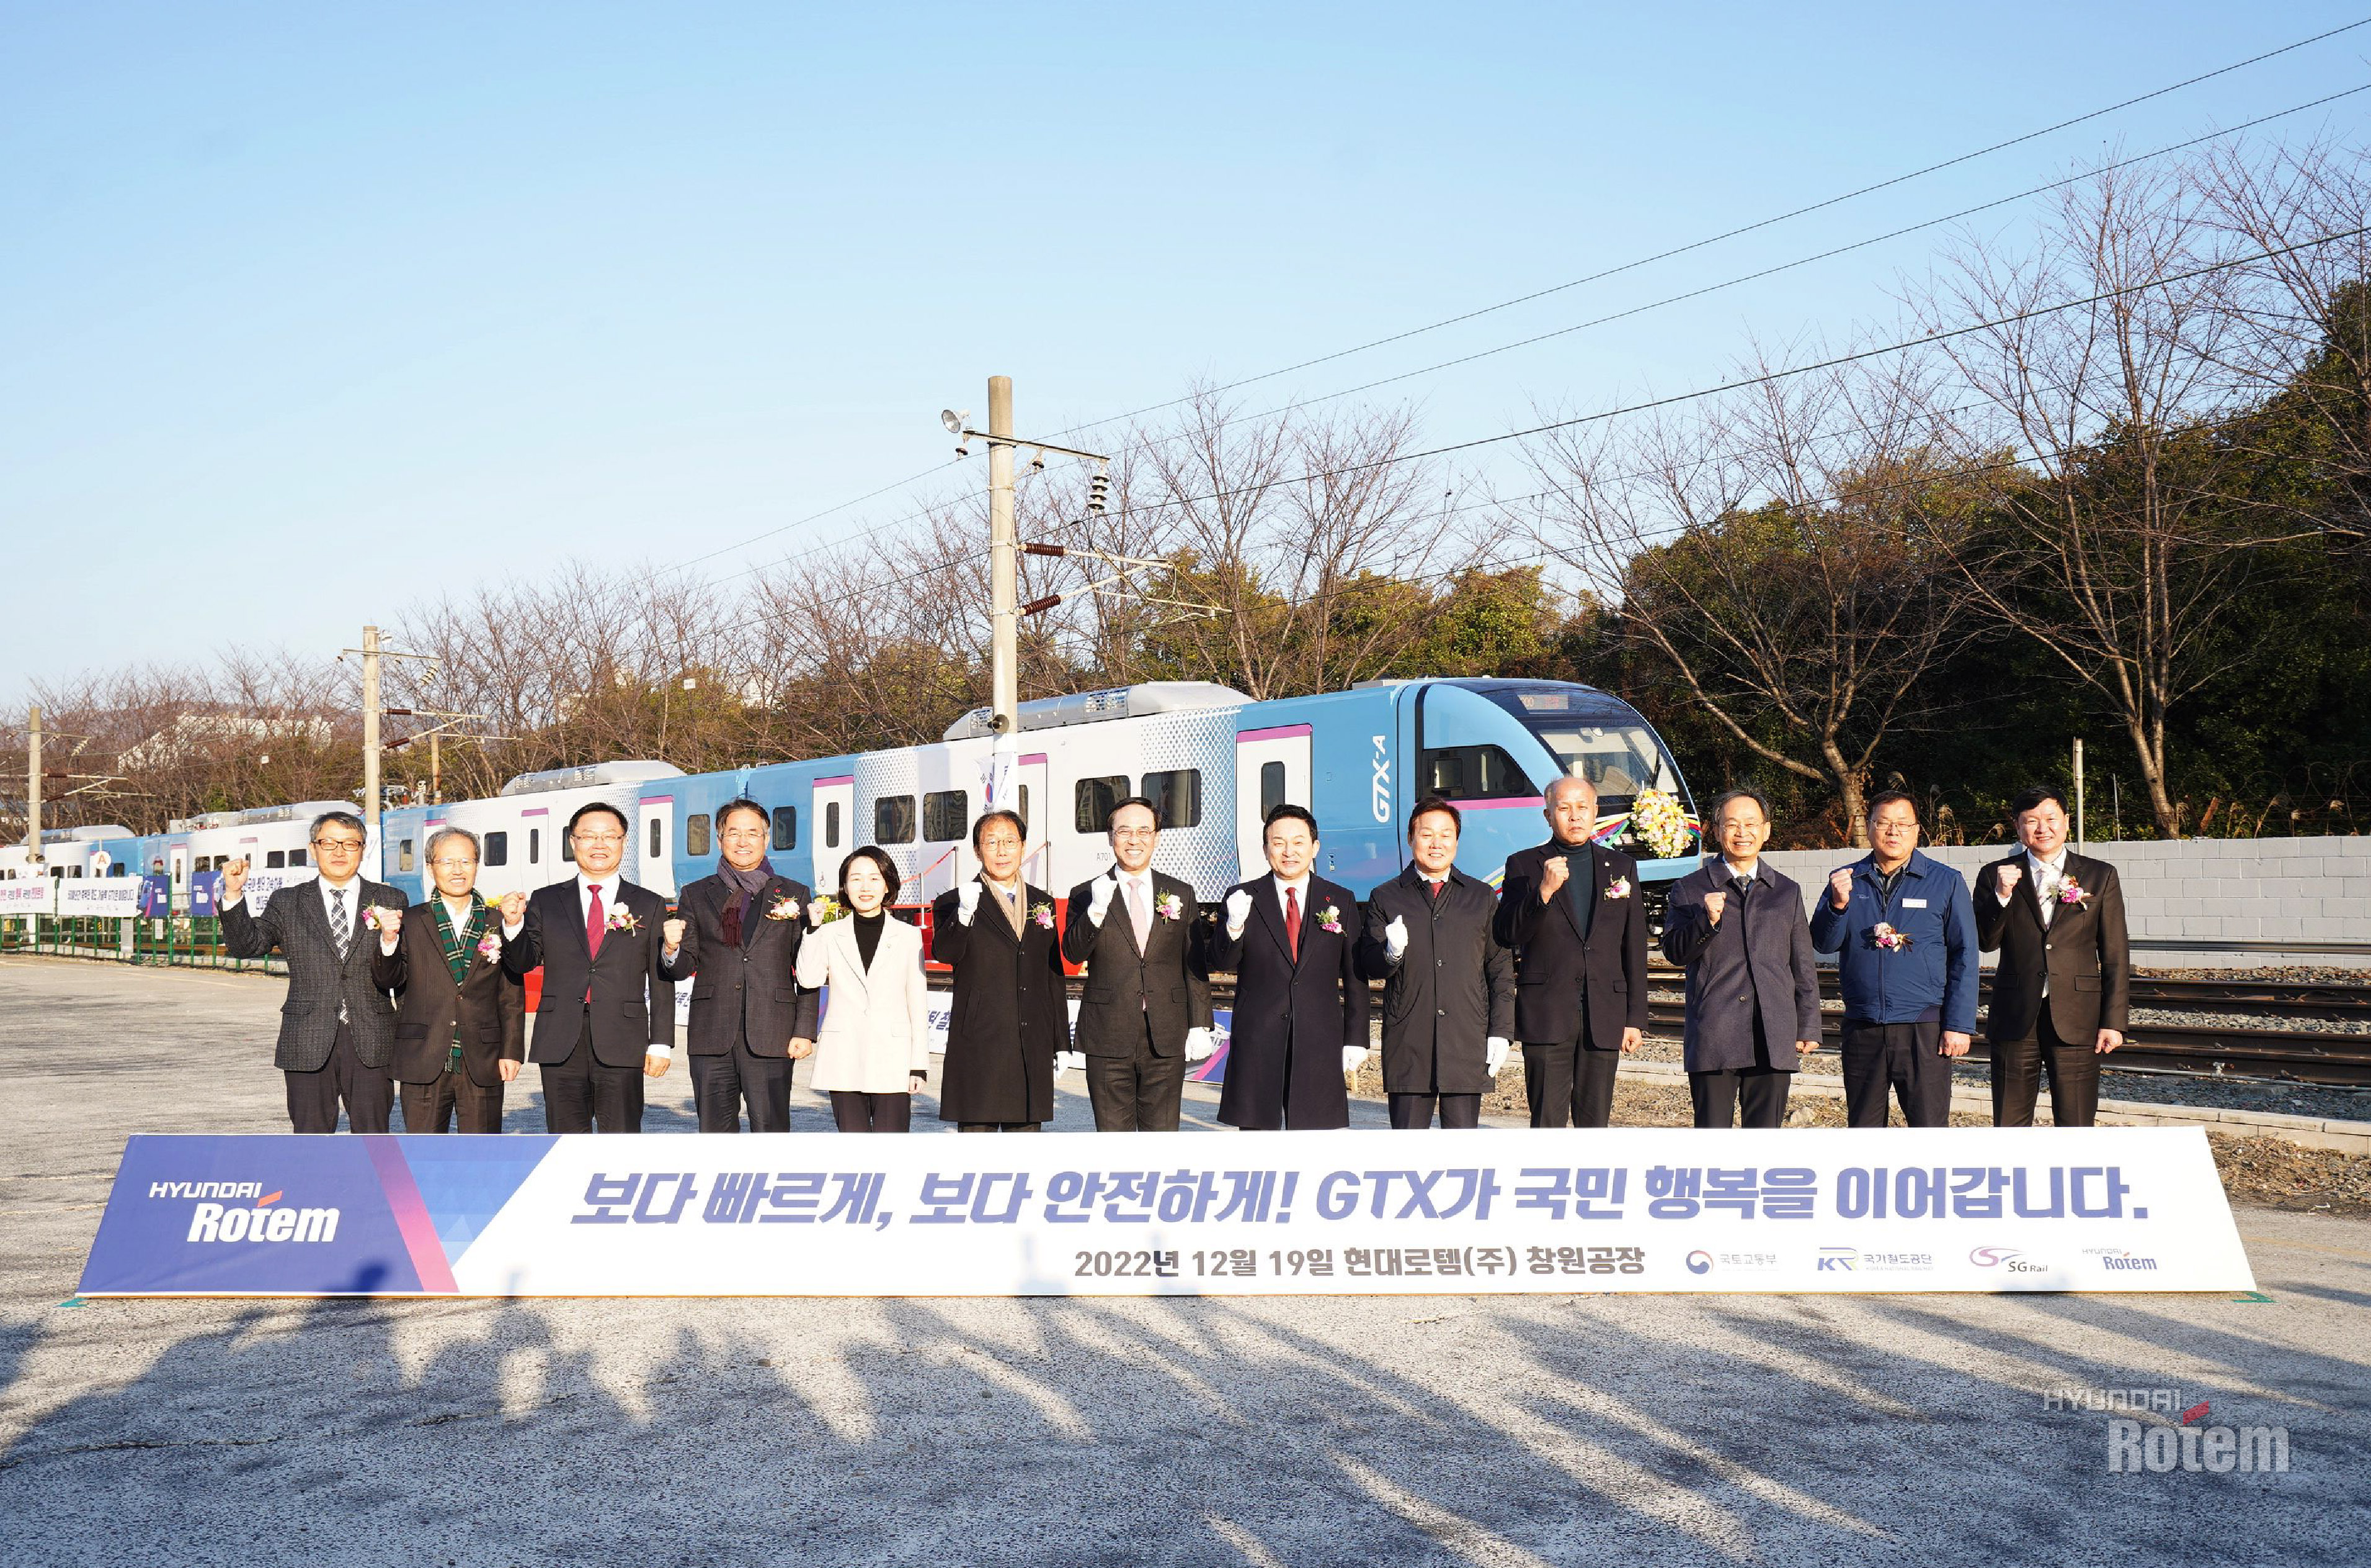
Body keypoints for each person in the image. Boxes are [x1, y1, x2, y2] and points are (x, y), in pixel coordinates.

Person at [219, 810, 403, 1134]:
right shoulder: (288, 901)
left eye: (350, 844)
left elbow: (401, 967)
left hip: (372, 1036)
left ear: (363, 849)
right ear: (313, 849)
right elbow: (247, 946)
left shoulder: (390, 899)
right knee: (310, 1139)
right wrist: (233, 894)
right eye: (329, 843)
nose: (339, 852)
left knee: (374, 1137)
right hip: (306, 1037)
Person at [498, 801, 673, 1133]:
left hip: (623, 1040)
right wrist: (513, 926)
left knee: (621, 1137)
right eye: (589, 836)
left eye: (609, 836)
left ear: (623, 841)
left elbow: (660, 978)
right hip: (560, 1039)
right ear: (573, 842)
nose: (599, 844)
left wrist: (661, 1042)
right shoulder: (546, 900)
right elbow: (523, 962)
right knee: (564, 1141)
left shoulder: (648, 903)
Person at [1810, 791, 1978, 1128]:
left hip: (1923, 1027)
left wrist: (1958, 1025)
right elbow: (1823, 944)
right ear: (1870, 828)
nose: (1893, 831)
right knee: (1864, 1126)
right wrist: (1838, 906)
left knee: (1928, 1127)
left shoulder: (1945, 882)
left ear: (1917, 830)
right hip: (1863, 1025)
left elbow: (1965, 954)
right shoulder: (1847, 879)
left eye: (1903, 823)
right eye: (1884, 823)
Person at [1657, 789, 1822, 1129]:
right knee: (1713, 1132)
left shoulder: (1786, 891)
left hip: (1773, 1033)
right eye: (1732, 824)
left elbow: (1802, 965)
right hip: (1714, 1030)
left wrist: (1808, 1024)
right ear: (1717, 831)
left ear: (1766, 830)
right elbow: (1675, 952)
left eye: (1751, 824)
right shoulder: (1690, 888)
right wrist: (1706, 921)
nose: (1742, 832)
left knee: (1765, 1136)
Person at [1493, 776, 1648, 1129]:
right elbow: (1507, 933)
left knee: (1595, 1122)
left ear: (1595, 812)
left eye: (1582, 807)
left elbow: (1634, 945)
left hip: (1604, 1014)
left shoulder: (1621, 867)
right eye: (1564, 808)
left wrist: (1635, 1018)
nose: (1574, 816)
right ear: (1548, 815)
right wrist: (1543, 893)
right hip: (1546, 1013)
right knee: (1547, 1120)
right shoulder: (1524, 865)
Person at [659, 799, 819, 1133]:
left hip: (772, 1032)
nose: (743, 841)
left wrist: (804, 1030)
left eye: (752, 833)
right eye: (733, 833)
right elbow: (681, 967)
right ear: (720, 840)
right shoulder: (696, 894)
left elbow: (808, 968)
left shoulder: (794, 893)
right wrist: (671, 948)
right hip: (711, 1033)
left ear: (766, 839)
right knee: (715, 1132)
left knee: (771, 1130)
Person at [1975, 784, 2130, 1128]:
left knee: (2076, 1122)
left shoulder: (2100, 874)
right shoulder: (1995, 874)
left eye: (2050, 818)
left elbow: (2116, 953)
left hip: (2078, 1016)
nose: (2042, 828)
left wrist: (2113, 1021)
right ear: (2018, 826)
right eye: (2031, 821)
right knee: (2009, 1122)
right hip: (2015, 1015)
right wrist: (2001, 896)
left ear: (2067, 821)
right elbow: (1986, 942)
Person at [1208, 803, 1369, 1131]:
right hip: (1258, 1038)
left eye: (1298, 842)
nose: (1288, 851)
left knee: (1314, 1137)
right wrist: (1233, 927)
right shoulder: (1242, 896)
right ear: (1265, 849)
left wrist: (1356, 1038)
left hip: (1319, 1040)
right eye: (1278, 842)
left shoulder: (1340, 899)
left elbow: (1356, 976)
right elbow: (1221, 962)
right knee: (1257, 1138)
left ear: (1315, 847)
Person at [1355, 798, 1513, 1129]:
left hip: (1466, 1040)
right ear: (1410, 839)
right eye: (1426, 835)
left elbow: (1499, 970)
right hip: (1409, 1041)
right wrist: (1391, 953)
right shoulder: (1386, 896)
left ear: (1457, 840)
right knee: (1409, 1145)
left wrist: (1501, 1032)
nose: (1436, 844)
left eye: (1445, 835)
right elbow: (1370, 966)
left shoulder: (1480, 896)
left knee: (1462, 1145)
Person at [1061, 796, 1217, 1131]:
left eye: (1144, 831)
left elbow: (1194, 966)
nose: (1135, 840)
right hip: (1107, 1033)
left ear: (1156, 837)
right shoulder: (1085, 893)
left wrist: (1201, 1024)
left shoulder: (1181, 892)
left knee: (1161, 1136)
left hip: (1167, 1034)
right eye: (1125, 831)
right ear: (1110, 837)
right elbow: (1072, 954)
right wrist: (1095, 911)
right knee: (1113, 1136)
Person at [369, 826, 524, 1133]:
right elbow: (388, 980)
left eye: (466, 861)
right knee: (423, 1150)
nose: (457, 870)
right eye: (447, 862)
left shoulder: (498, 921)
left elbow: (510, 995)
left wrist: (511, 1051)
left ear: (477, 866)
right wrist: (388, 940)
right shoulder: (409, 921)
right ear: (431, 868)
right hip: (423, 1056)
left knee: (482, 1149)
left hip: (483, 1057)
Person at [930, 809, 1064, 1131]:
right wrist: (964, 914)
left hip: (1031, 1042)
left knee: (1026, 1143)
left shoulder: (1042, 902)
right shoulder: (953, 902)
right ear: (978, 851)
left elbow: (1052, 974)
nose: (1002, 851)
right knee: (979, 1140)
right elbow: (946, 953)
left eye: (1009, 841)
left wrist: (1061, 1041)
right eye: (991, 842)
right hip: (979, 1040)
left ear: (1023, 846)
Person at [796, 847, 930, 1131]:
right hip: (844, 1055)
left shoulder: (908, 936)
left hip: (894, 1057)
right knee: (852, 1143)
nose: (865, 887)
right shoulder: (829, 933)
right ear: (845, 887)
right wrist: (813, 930)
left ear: (887, 886)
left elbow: (917, 1004)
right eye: (856, 879)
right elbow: (808, 980)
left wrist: (918, 1064)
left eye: (874, 878)